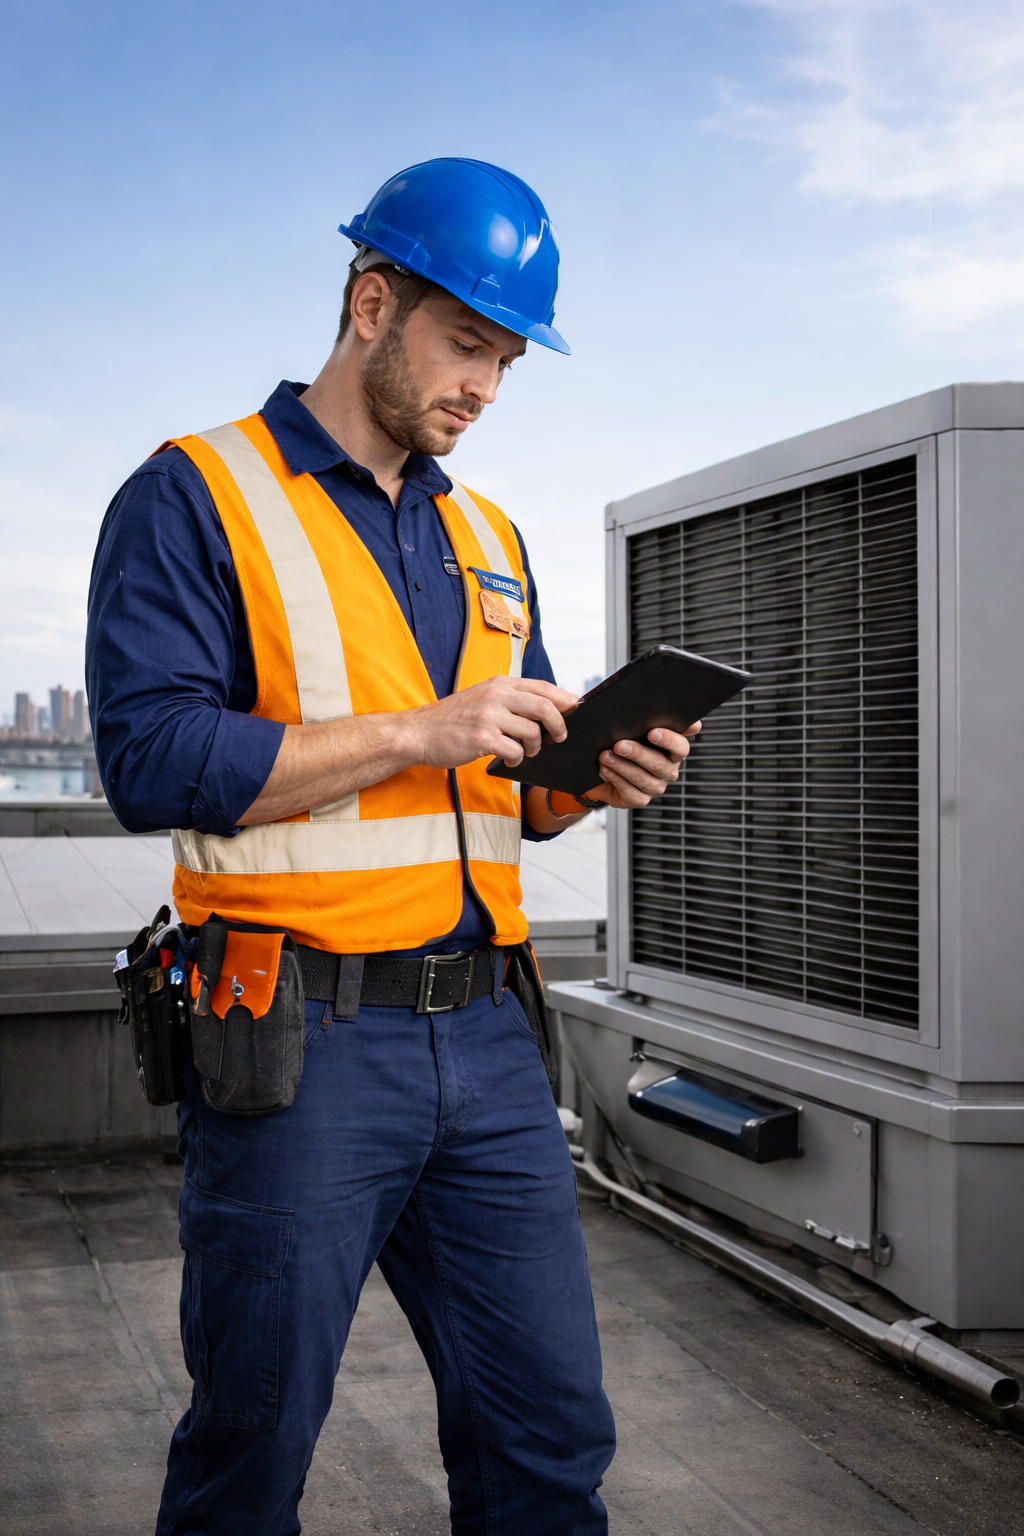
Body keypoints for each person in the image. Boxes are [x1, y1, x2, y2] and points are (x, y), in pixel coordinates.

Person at [86, 158, 698, 1536]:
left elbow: (515, 792)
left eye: (508, 361)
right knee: (252, 1443)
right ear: (373, 304)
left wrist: (598, 774)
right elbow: (150, 762)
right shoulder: (196, 496)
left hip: (487, 1038)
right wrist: (422, 729)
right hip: (297, 1043)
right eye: (466, 345)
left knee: (548, 1435)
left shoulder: (488, 535)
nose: (486, 387)